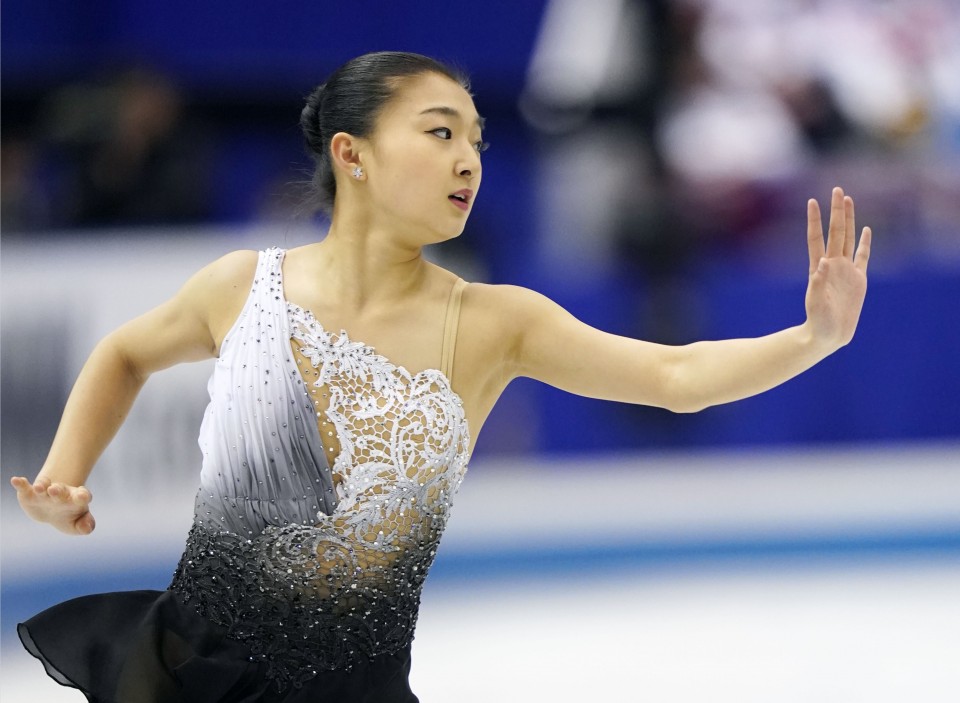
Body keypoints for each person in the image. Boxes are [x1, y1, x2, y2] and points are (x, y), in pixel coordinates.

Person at [10, 51, 872, 702]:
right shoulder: (242, 285)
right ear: (352, 154)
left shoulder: (495, 322)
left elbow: (677, 373)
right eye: (439, 132)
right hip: (186, 673)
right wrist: (63, 473)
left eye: (475, 138)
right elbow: (123, 351)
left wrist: (813, 338)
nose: (468, 158)